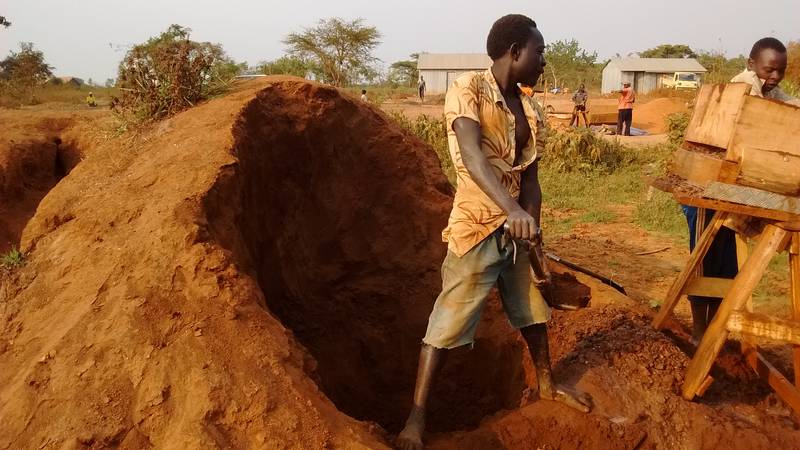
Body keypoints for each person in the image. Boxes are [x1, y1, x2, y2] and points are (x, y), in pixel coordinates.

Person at [396, 14, 591, 450]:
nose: (543, 60)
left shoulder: (532, 108)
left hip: (518, 230)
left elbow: (531, 179)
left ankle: (546, 383)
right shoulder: (468, 89)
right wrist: (509, 211)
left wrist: (531, 224)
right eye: (538, 52)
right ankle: (416, 419)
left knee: (533, 311)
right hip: (478, 225)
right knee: (446, 324)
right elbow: (472, 157)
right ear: (515, 52)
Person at [683, 37, 798, 344]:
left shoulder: (770, 90)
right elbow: (760, 117)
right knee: (704, 261)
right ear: (751, 65)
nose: (774, 77)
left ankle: (716, 330)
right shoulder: (742, 87)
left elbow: (788, 107)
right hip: (707, 190)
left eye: (780, 72)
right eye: (769, 70)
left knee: (726, 265)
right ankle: (699, 332)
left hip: (734, 194)